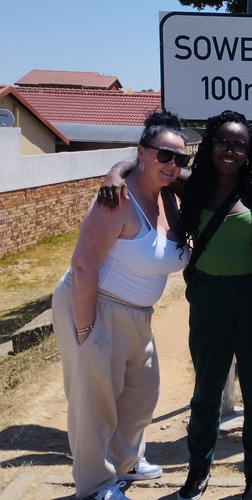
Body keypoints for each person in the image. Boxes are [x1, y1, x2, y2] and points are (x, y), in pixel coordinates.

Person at [99, 111, 252, 500]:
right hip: (209, 298)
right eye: (223, 142)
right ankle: (198, 470)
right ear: (211, 144)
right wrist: (114, 172)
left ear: (248, 151)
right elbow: (144, 162)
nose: (230, 151)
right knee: (207, 390)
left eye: (239, 145)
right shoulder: (189, 183)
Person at [52, 111, 190, 500]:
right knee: (94, 402)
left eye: (180, 158)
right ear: (143, 154)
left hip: (138, 315)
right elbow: (82, 265)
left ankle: (126, 463)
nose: (173, 165)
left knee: (141, 394)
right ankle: (96, 485)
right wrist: (85, 329)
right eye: (165, 155)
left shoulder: (168, 197)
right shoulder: (118, 198)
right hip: (96, 305)